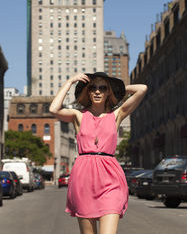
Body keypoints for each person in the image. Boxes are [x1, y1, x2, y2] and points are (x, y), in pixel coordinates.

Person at [49, 72, 147, 234]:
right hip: (84, 180)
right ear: (87, 91)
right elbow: (54, 109)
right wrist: (70, 81)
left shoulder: (116, 115)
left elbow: (142, 89)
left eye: (102, 88)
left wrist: (117, 90)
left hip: (110, 179)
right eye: (93, 87)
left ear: (108, 92)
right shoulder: (78, 116)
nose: (97, 91)